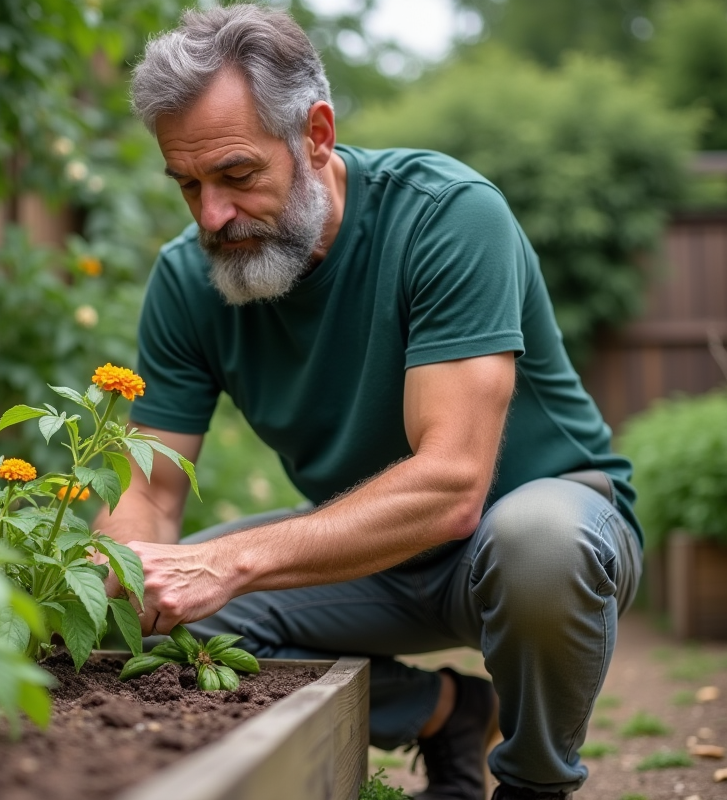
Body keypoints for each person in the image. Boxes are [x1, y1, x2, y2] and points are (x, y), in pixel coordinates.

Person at [94, 5, 642, 799]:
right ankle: (443, 712)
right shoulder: (187, 280)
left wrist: (227, 562)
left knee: (538, 543)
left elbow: (454, 484)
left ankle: (533, 784)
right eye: (189, 184)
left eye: (238, 176)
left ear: (315, 135)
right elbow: (146, 483)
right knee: (172, 619)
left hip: (535, 530)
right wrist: (126, 574)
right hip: (376, 557)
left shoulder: (447, 217)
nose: (211, 215)